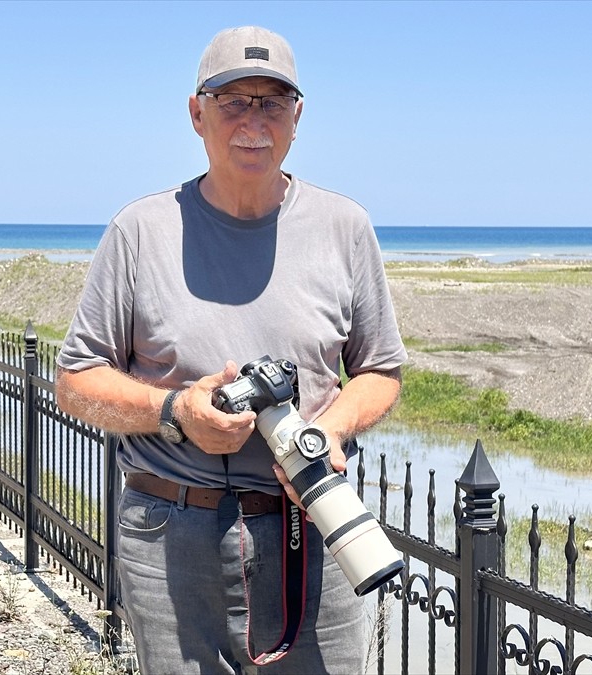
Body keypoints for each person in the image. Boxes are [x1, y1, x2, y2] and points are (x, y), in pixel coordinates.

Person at [56, 25, 406, 675]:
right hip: (170, 535)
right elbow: (76, 381)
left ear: (297, 117)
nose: (254, 121)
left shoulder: (345, 227)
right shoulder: (139, 231)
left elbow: (381, 370)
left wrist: (329, 429)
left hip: (313, 528)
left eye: (272, 102)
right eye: (233, 101)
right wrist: (175, 412)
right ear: (197, 114)